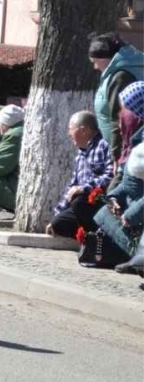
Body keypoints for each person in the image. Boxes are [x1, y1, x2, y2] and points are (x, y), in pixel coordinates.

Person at [95, 83, 144, 271]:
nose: (122, 115)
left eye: (126, 110)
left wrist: (131, 215)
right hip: (134, 207)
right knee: (104, 210)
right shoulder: (137, 139)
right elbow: (129, 181)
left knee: (103, 215)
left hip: (138, 214)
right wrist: (114, 196)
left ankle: (137, 255)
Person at [48, 111, 114, 239]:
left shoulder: (104, 145)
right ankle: (92, 237)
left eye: (70, 129)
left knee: (79, 200)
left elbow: (110, 176)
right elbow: (72, 186)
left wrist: (84, 188)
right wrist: (58, 213)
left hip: (100, 202)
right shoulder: (80, 154)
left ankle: (105, 236)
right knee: (58, 224)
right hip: (81, 206)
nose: (69, 133)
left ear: (83, 130)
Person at [91, 33, 142, 163]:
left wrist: (117, 157)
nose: (94, 67)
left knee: (120, 184)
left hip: (127, 152)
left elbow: (117, 119)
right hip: (129, 149)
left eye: (94, 62)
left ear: (102, 59)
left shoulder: (121, 77)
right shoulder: (122, 71)